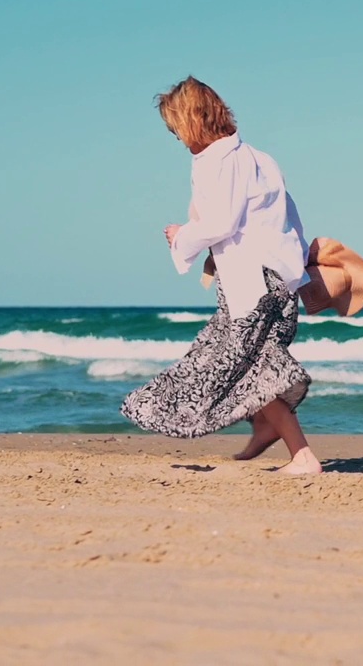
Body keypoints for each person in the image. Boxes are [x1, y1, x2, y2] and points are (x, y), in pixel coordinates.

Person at [121, 76, 321, 475]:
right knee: (251, 363)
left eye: (175, 127)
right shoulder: (261, 158)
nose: (176, 138)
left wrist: (182, 236)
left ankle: (302, 456)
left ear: (193, 120)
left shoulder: (218, 161)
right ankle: (266, 429)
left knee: (245, 365)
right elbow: (289, 220)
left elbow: (222, 221)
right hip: (278, 281)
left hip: (252, 283)